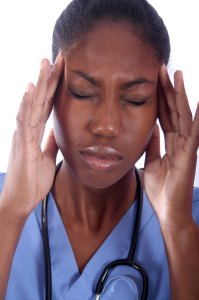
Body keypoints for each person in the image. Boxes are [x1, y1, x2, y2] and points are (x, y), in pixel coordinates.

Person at [0, 0, 199, 299]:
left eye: (136, 99)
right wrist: (11, 213)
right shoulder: (5, 205)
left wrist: (178, 227)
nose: (106, 127)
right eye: (82, 92)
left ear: (162, 104)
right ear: (49, 91)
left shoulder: (190, 220)